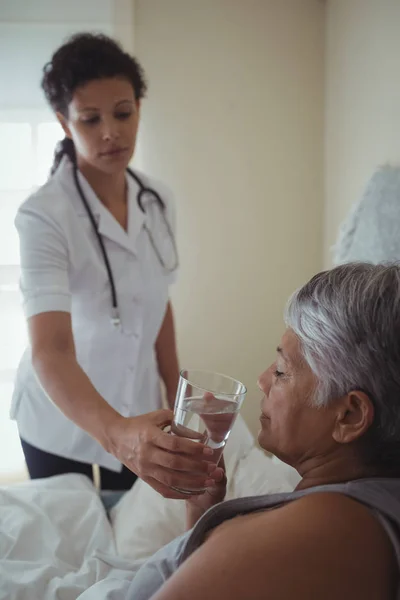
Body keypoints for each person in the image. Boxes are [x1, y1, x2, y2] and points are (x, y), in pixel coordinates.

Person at [11, 33, 216, 493]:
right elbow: (52, 349)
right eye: (90, 119)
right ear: (65, 123)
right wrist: (116, 434)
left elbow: (158, 302)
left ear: (139, 108)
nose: (111, 132)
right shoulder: (44, 215)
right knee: (74, 543)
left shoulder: (158, 199)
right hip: (60, 420)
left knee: (133, 534)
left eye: (123, 113)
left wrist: (175, 394)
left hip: (138, 410)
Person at [124, 263, 400, 600]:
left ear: (350, 415)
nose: (262, 379)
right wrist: (201, 512)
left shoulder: (313, 537)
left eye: (282, 371)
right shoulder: (360, 506)